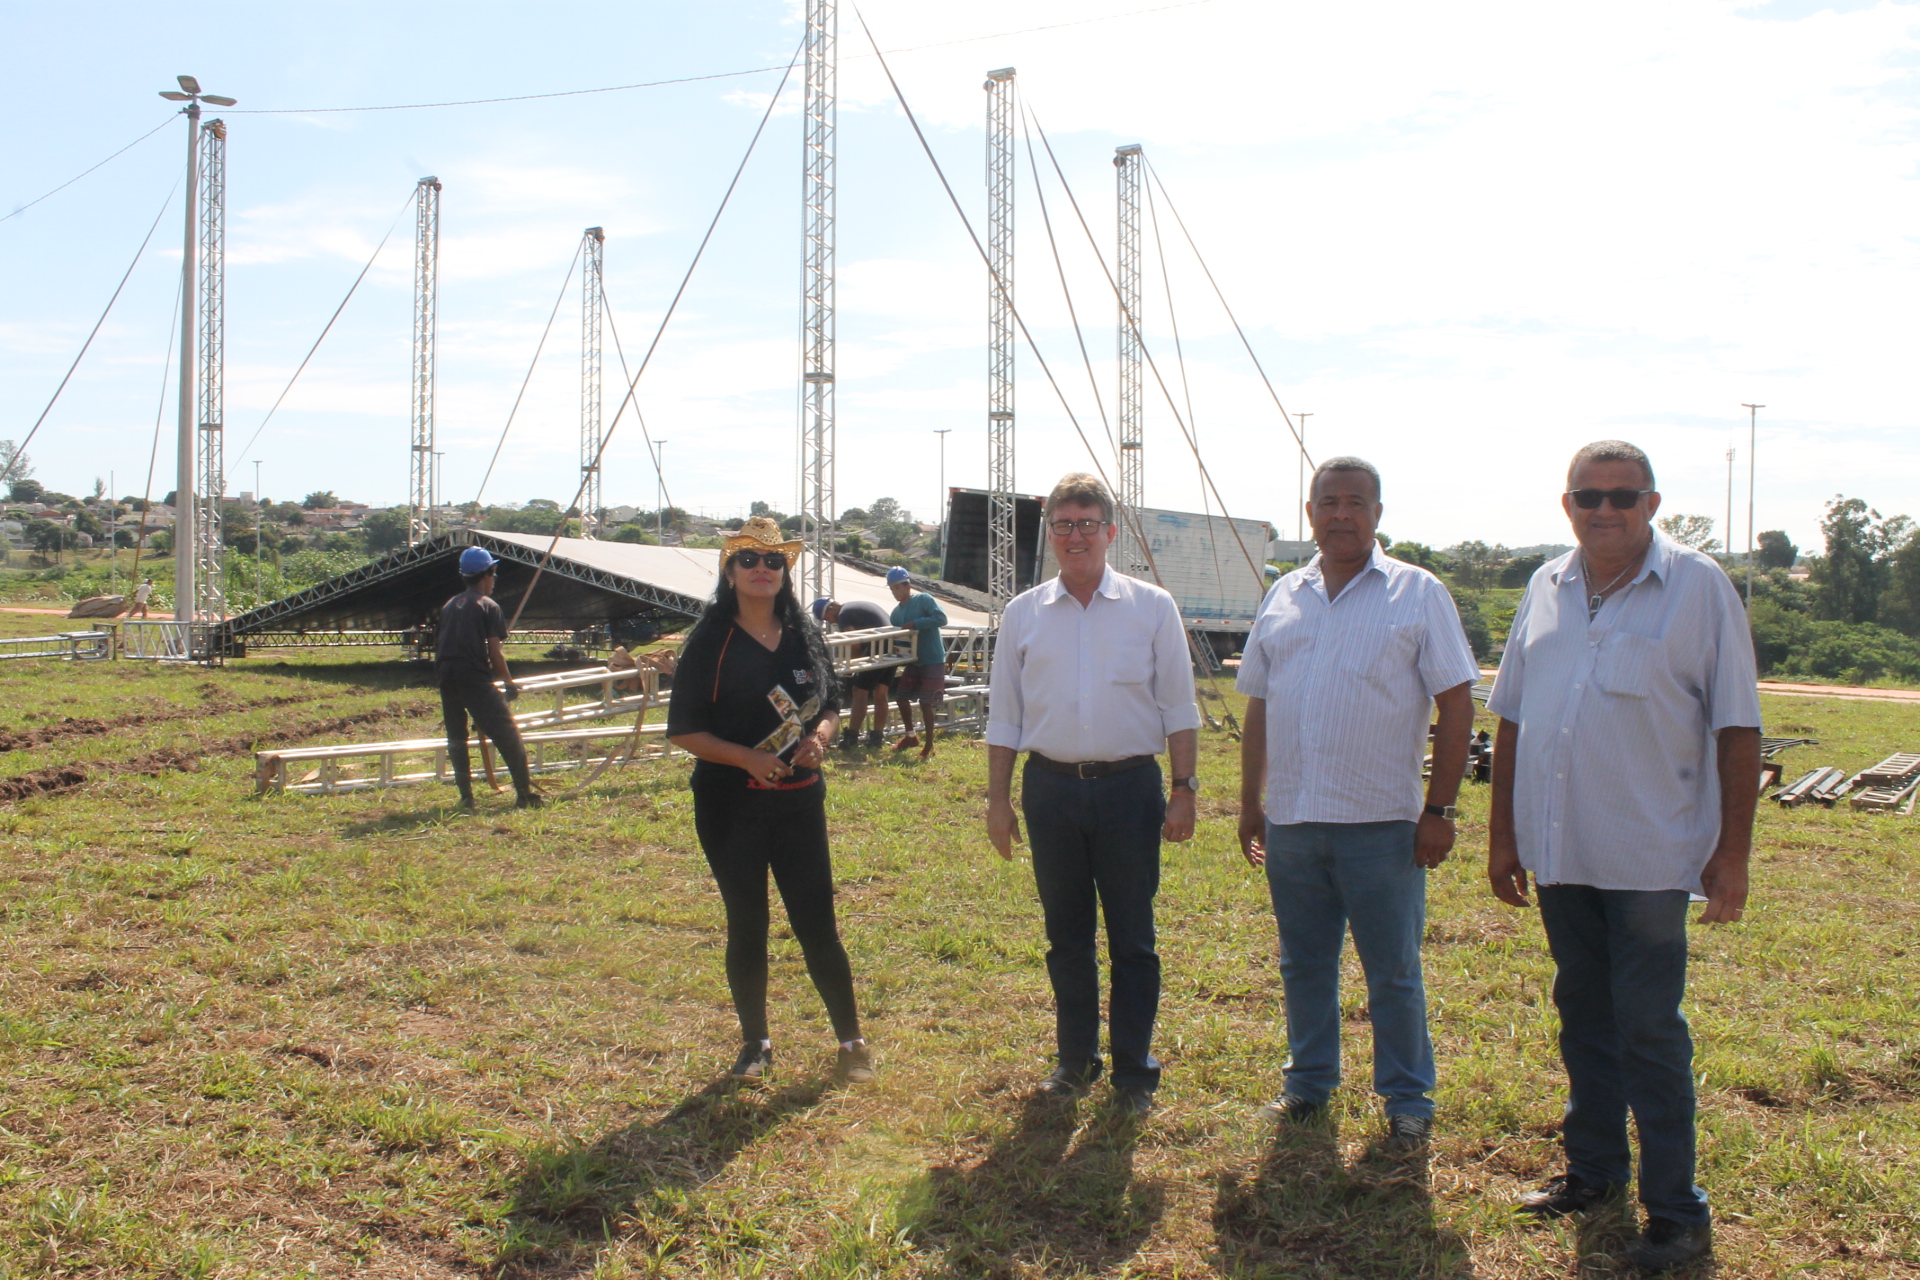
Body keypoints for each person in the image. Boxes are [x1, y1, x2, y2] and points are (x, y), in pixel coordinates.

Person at [1487, 440, 1761, 1273]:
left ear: (1653, 504)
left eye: (1621, 496)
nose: (1604, 511)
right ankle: (1595, 1175)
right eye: (1587, 497)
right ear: (1565, 504)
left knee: (1648, 1030)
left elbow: (1738, 726)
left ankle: (1677, 1217)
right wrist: (1504, 836)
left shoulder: (1697, 587)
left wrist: (1733, 854)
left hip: (1649, 856)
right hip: (1563, 853)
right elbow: (1512, 719)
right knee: (1584, 1019)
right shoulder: (1546, 586)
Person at [1235, 457, 1479, 1153]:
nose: (1341, 514)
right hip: (1294, 821)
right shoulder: (1285, 594)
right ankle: (1308, 1086)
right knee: (1302, 964)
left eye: (1356, 502)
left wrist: (1441, 809)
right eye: (1328, 501)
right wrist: (1252, 803)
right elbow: (1259, 704)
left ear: (1377, 513)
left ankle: (1407, 1100)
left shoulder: (1417, 593)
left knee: (1393, 969)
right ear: (1309, 511)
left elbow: (1457, 702)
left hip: (1383, 826)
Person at [984, 472, 1200, 1115]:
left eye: (1086, 524)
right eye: (1062, 525)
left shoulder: (1152, 606)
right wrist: (998, 799)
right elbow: (1004, 714)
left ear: (1110, 532)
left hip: (1131, 789)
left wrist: (1184, 790)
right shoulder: (1023, 613)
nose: (1074, 536)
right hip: (1049, 789)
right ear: (1049, 534)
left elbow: (1179, 708)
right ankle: (1074, 1061)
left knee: (1134, 938)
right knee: (1066, 938)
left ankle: (1135, 1073)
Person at [668, 517, 874, 1085]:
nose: (763, 570)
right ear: (729, 571)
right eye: (749, 560)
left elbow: (831, 701)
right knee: (748, 922)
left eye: (774, 561)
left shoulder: (803, 632)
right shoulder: (709, 642)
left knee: (818, 922)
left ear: (786, 571)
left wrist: (822, 738)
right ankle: (755, 1043)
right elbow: (683, 730)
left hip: (799, 803)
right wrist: (746, 757)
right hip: (730, 808)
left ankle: (851, 1041)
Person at [436, 546, 541, 811]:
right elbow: (495, 654)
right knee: (507, 733)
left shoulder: (450, 604)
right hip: (473, 676)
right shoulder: (488, 605)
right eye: (494, 575)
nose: (495, 580)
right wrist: (508, 682)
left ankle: (466, 797)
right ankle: (524, 795)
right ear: (486, 574)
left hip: (446, 676)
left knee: (457, 737)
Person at [811, 596, 895, 749]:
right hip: (891, 644)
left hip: (878, 647)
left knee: (859, 691)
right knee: (880, 692)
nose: (831, 622)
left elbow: (853, 645)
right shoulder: (852, 607)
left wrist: (846, 666)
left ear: (831, 609)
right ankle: (877, 737)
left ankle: (852, 737)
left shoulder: (844, 615)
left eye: (827, 618)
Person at [887, 568, 948, 759]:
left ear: (908, 586)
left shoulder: (924, 599)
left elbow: (941, 618)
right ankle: (910, 735)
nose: (895, 592)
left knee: (926, 702)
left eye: (897, 587)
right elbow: (898, 639)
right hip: (912, 660)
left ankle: (929, 745)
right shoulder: (895, 614)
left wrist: (916, 623)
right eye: (892, 588)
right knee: (901, 696)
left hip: (932, 659)